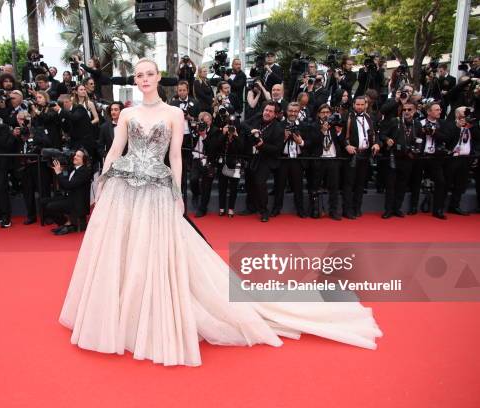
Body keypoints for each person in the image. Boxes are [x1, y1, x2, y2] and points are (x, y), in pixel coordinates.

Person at [58, 58, 382, 366]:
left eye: (148, 74)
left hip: (157, 189)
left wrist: (177, 193)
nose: (143, 79)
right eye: (138, 75)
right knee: (124, 249)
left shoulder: (173, 113)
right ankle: (121, 313)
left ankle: (151, 313)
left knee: (154, 251)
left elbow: (175, 157)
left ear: (159, 78)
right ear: (136, 81)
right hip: (125, 188)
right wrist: (103, 181)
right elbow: (115, 151)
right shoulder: (127, 115)